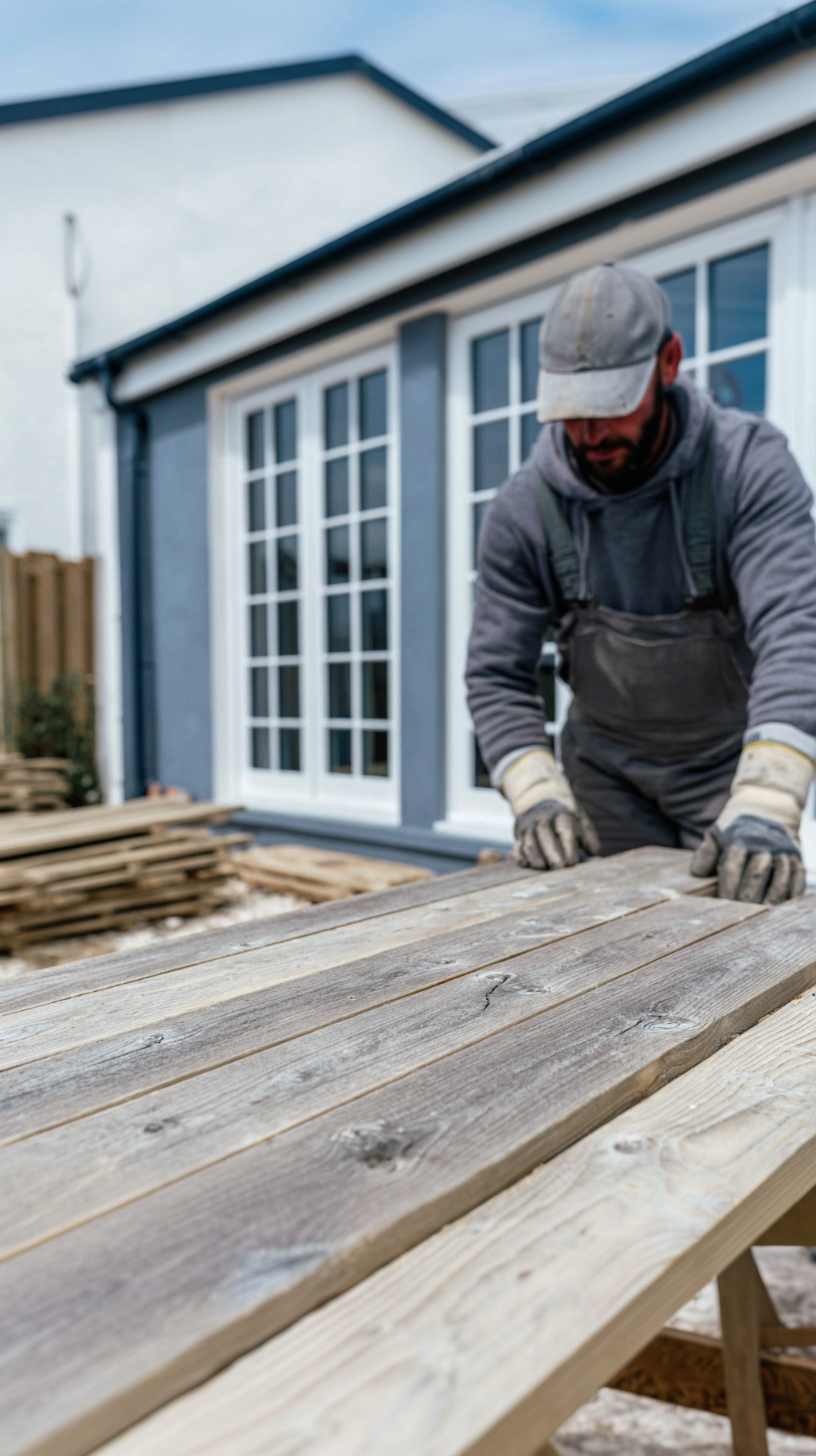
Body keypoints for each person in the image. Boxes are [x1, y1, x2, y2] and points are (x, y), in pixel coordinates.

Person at [466, 262, 816, 903]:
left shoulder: (748, 468)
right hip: (602, 779)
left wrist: (769, 797)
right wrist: (536, 793)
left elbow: (797, 633)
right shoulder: (523, 510)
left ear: (669, 362)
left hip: (727, 774)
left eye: (611, 407)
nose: (590, 434)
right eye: (571, 413)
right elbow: (496, 674)